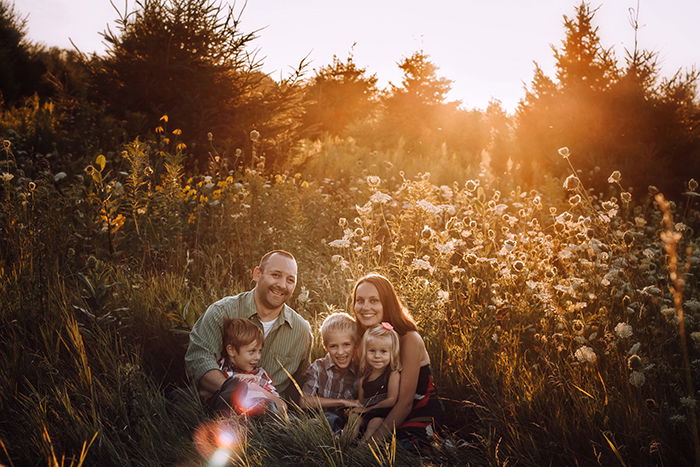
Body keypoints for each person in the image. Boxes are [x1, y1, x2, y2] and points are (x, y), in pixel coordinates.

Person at [185, 250, 312, 408]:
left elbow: (302, 385)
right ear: (257, 274)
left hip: (271, 416)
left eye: (290, 280)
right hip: (220, 406)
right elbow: (198, 359)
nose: (282, 285)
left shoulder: (301, 331)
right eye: (276, 275)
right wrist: (240, 391)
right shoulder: (222, 312)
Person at [352, 273, 443, 447]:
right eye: (360, 300)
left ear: (387, 304)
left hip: (415, 409)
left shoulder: (409, 339)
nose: (365, 307)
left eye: (374, 300)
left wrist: (372, 444)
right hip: (382, 409)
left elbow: (406, 403)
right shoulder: (365, 336)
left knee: (397, 449)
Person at [300, 312, 361, 431]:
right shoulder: (318, 368)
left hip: (348, 423)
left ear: (355, 344)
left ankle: (345, 443)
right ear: (325, 347)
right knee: (327, 419)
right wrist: (343, 402)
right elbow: (304, 401)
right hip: (320, 421)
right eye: (334, 346)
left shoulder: (360, 370)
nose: (341, 352)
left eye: (346, 345)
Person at [218, 318, 287, 416]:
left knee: (271, 407)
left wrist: (256, 388)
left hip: (258, 415)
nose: (258, 357)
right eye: (252, 352)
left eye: (259, 351)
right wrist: (236, 381)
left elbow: (281, 405)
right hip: (228, 413)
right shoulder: (220, 369)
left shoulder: (260, 375)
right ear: (231, 350)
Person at [347, 322, 401, 442]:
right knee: (353, 419)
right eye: (372, 351)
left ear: (392, 353)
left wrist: (368, 410)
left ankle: (363, 448)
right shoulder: (363, 380)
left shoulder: (392, 374)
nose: (377, 356)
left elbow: (391, 400)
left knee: (375, 423)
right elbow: (361, 403)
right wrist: (354, 410)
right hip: (366, 412)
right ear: (365, 352)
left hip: (381, 414)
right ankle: (344, 443)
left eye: (383, 351)